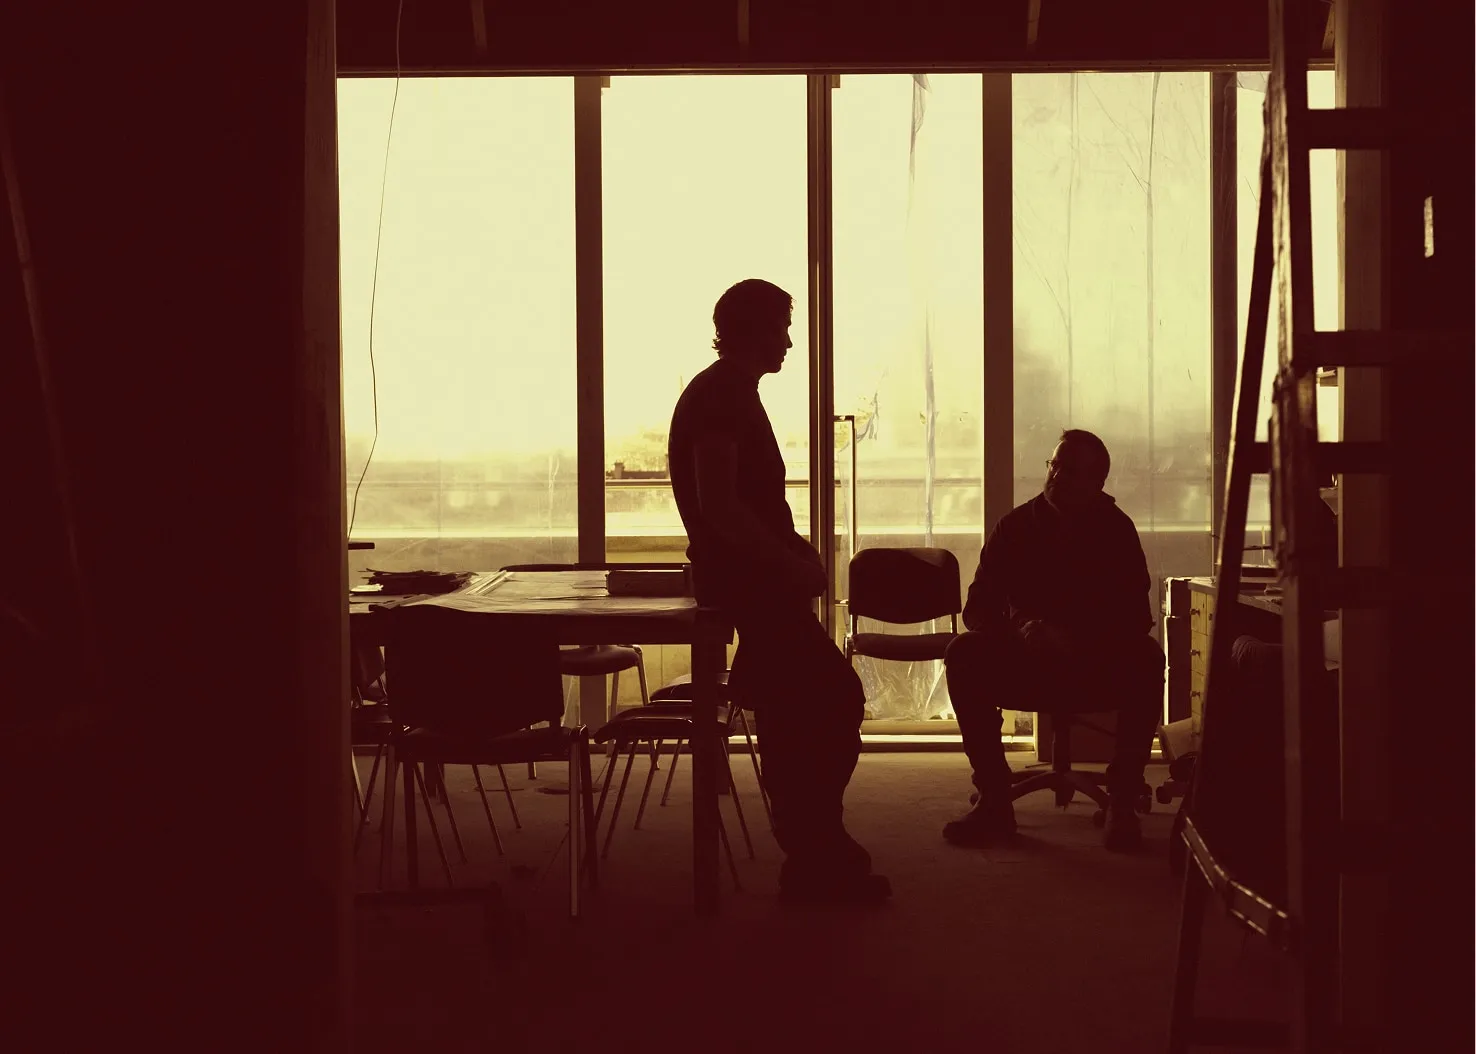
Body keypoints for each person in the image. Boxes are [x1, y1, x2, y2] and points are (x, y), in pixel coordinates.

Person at [667, 278, 890, 905]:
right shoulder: (723, 398)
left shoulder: (727, 392)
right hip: (753, 587)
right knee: (832, 703)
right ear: (751, 330)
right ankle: (815, 853)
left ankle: (815, 855)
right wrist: (787, 564)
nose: (789, 342)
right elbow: (721, 505)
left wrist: (795, 552)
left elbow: (739, 505)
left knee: (799, 718)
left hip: (756, 581)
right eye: (781, 328)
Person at [942, 429, 1164, 852]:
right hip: (1025, 661)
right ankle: (994, 797)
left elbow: (1137, 618)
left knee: (1147, 659)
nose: (1058, 475)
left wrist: (1077, 638)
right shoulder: (1014, 527)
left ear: (1098, 482)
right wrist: (1025, 630)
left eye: (1073, 470)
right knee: (963, 653)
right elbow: (977, 610)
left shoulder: (1116, 531)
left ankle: (1120, 800)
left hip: (1093, 663)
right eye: (1055, 464)